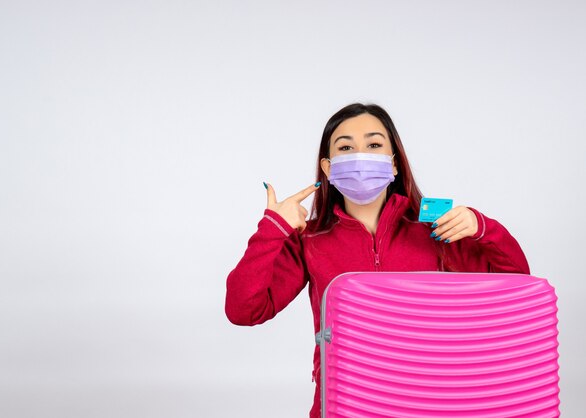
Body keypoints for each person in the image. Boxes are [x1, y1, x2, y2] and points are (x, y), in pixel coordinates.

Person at [224, 103, 530, 418]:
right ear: (328, 168)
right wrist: (274, 228)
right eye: (345, 147)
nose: (360, 157)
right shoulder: (309, 239)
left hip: (430, 401)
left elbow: (517, 285)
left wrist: (482, 228)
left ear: (394, 163)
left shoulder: (436, 228)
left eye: (373, 144)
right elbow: (243, 310)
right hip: (344, 402)